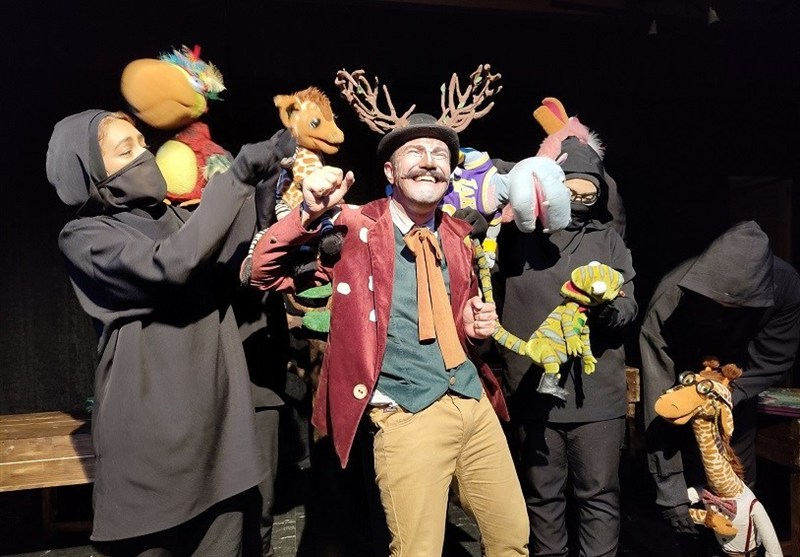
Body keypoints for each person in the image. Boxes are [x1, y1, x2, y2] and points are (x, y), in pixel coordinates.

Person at [245, 113, 561, 556]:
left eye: (439, 155)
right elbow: (260, 272)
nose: (428, 161)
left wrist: (471, 330)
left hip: (473, 404)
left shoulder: (458, 236)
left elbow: (448, 324)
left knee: (511, 539)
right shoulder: (352, 228)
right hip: (406, 415)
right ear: (390, 172)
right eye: (414, 152)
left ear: (450, 173)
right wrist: (307, 214)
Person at [45, 109, 294, 556]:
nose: (145, 156)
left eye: (143, 144)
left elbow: (239, 251)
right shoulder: (85, 237)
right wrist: (238, 174)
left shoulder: (180, 219)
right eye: (126, 150)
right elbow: (172, 263)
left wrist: (269, 180)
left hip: (217, 435)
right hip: (150, 446)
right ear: (91, 172)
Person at [495, 132, 637, 557]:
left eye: (588, 193)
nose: (578, 201)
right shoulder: (517, 236)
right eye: (569, 191)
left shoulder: (608, 240)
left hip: (596, 395)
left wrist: (607, 310)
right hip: (533, 390)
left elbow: (629, 303)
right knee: (542, 495)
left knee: (599, 494)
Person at [640, 220, 800, 555]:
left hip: (735, 388)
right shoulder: (669, 300)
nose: (724, 313)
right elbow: (659, 403)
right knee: (685, 516)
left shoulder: (785, 284)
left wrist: (727, 394)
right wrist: (670, 492)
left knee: (737, 501)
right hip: (681, 394)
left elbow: (775, 356)